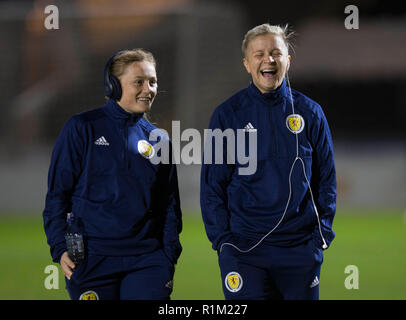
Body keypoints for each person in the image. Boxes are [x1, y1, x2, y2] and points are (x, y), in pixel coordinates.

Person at [200, 23, 336, 300]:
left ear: (288, 59)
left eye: (276, 53)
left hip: (299, 250)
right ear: (247, 64)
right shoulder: (227, 115)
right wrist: (223, 241)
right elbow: (212, 185)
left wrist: (321, 236)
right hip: (244, 251)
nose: (268, 60)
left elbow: (326, 180)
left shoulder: (311, 112)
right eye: (259, 54)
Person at [43, 49, 182, 300]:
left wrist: (167, 256)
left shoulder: (160, 140)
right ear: (113, 86)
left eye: (152, 81)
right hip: (90, 261)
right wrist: (60, 248)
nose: (148, 89)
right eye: (138, 82)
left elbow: (170, 206)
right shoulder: (81, 127)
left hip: (147, 262)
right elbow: (57, 196)